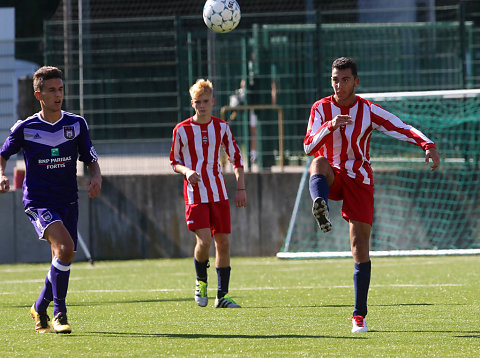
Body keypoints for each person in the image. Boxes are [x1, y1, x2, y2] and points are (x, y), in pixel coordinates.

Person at [304, 57, 440, 333]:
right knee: (317, 163)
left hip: (360, 181)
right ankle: (320, 204)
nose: (339, 85)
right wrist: (330, 125)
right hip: (334, 176)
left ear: (356, 81)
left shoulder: (367, 110)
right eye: (334, 79)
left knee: (359, 248)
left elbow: (399, 126)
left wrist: (427, 144)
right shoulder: (321, 108)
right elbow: (308, 146)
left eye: (344, 79)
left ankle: (359, 316)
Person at [0, 66, 102, 334]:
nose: (58, 95)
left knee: (63, 255)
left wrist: (96, 176)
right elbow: (3, 153)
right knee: (66, 248)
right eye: (52, 90)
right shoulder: (25, 127)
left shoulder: (76, 124)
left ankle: (38, 307)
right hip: (38, 202)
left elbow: (90, 158)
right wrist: (1, 174)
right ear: (39, 94)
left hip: (68, 200)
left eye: (61, 89)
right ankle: (60, 313)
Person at [170, 79, 247, 308]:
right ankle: (201, 282)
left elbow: (236, 158)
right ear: (192, 103)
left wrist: (240, 188)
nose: (202, 106)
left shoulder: (221, 127)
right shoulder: (181, 130)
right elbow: (174, 161)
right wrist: (187, 171)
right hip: (195, 194)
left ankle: (222, 295)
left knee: (223, 243)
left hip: (219, 193)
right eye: (197, 102)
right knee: (204, 241)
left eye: (205, 101)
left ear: (212, 101)